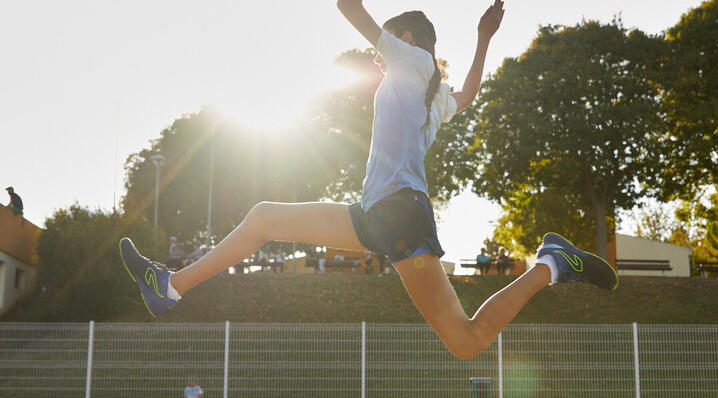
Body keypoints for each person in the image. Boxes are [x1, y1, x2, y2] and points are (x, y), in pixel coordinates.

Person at [119, 1, 617, 360]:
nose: (376, 59)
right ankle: (170, 286)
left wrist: (477, 38)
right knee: (263, 218)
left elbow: (346, 5)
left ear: (404, 40)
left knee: (465, 342)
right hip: (377, 215)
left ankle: (551, 264)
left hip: (397, 214)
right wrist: (484, 38)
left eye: (383, 49)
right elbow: (466, 94)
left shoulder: (411, 61)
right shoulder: (433, 93)